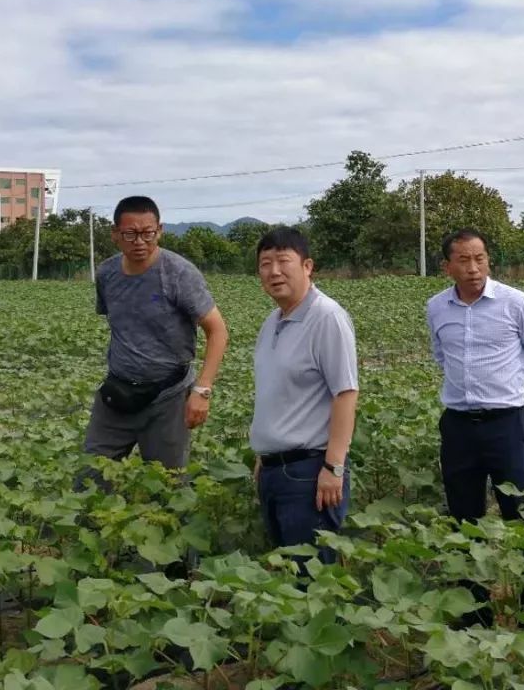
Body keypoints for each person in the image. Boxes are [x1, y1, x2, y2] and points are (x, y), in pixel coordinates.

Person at [426, 227, 524, 624]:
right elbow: (440, 355)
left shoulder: (517, 304)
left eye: (479, 258)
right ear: (447, 266)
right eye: (463, 260)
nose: (473, 268)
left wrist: (506, 386)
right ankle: (473, 612)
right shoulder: (436, 307)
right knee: (464, 516)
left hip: (506, 421)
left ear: (488, 261)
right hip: (458, 426)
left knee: (520, 512)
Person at [84, 195, 228, 472]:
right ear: (115, 235)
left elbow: (217, 330)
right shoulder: (107, 273)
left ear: (159, 231)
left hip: (168, 396)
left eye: (148, 234)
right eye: (130, 234)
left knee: (167, 486)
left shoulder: (178, 273)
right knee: (91, 476)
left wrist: (202, 390)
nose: (140, 242)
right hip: (117, 392)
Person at [250, 226, 358, 567]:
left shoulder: (326, 317)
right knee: (288, 580)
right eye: (266, 263)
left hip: (310, 472)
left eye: (284, 261)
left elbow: (345, 392)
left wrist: (334, 466)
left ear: (307, 266)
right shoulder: (273, 320)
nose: (274, 271)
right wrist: (263, 454)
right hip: (274, 471)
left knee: (312, 580)